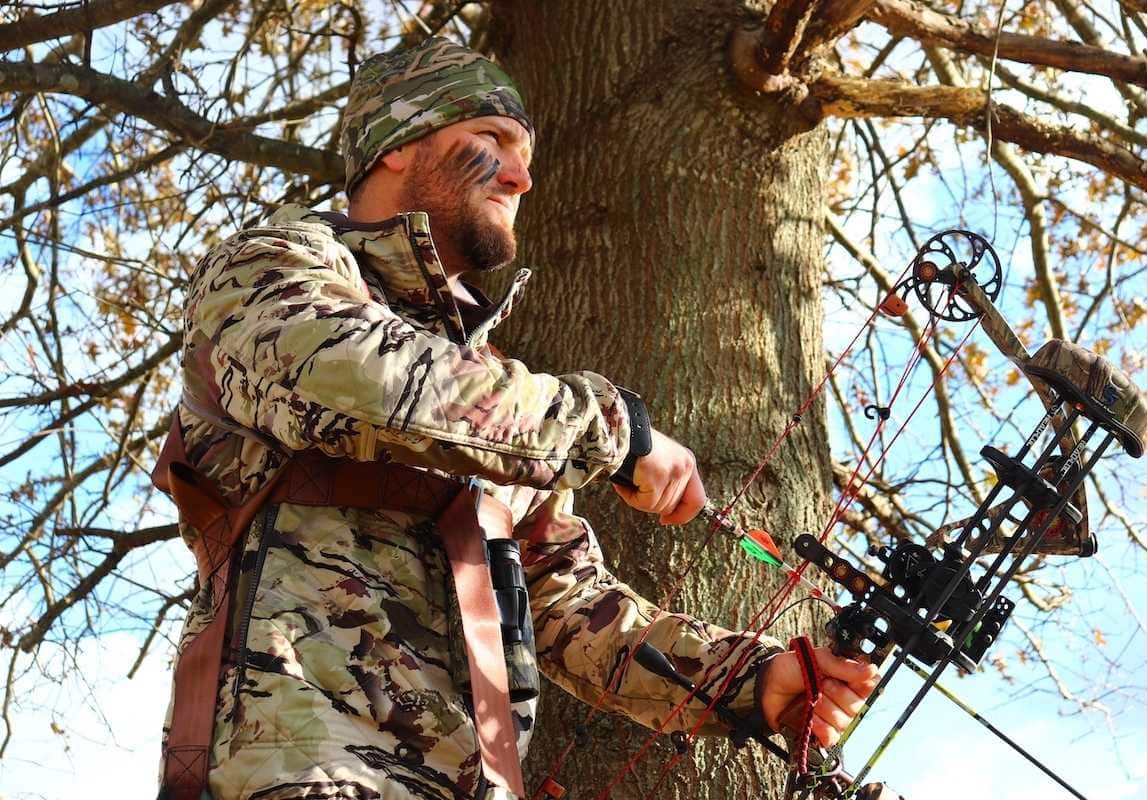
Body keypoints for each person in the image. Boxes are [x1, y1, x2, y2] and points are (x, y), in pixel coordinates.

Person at [159, 36, 878, 800]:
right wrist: (610, 428)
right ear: (399, 144)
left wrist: (749, 677)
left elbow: (568, 602)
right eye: (492, 140)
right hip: (305, 764)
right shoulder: (276, 266)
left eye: (525, 152)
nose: (523, 175)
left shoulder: (495, 389)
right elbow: (354, 375)